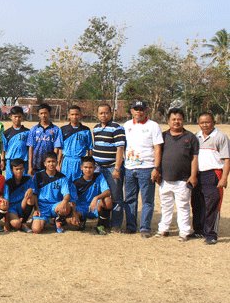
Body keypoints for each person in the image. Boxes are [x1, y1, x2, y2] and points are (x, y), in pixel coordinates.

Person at [155, 108, 199, 241]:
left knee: (183, 206)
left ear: (183, 121)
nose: (176, 122)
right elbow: (157, 154)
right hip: (165, 179)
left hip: (183, 180)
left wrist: (193, 175)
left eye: (179, 119)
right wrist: (157, 171)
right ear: (168, 121)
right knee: (166, 206)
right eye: (173, 119)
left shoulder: (191, 137)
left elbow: (194, 158)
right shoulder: (162, 136)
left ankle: (184, 232)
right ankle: (163, 229)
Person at [123, 100, 163, 238]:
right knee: (129, 199)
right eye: (136, 109)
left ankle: (145, 228)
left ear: (146, 111)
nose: (138, 112)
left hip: (147, 168)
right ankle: (130, 226)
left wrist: (156, 168)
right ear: (131, 110)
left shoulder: (153, 126)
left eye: (141, 109)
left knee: (147, 200)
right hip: (129, 168)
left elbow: (158, 148)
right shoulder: (127, 125)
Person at [191, 112, 230, 245]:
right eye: (202, 123)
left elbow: (227, 159)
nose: (205, 125)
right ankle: (198, 230)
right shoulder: (196, 136)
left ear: (213, 122)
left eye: (207, 122)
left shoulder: (221, 137)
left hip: (213, 173)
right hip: (198, 174)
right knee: (197, 203)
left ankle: (211, 234)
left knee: (212, 205)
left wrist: (224, 178)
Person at [92, 103, 126, 231]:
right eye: (101, 113)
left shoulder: (116, 128)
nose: (103, 115)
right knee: (101, 194)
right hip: (98, 167)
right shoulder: (95, 128)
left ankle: (116, 224)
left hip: (112, 167)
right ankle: (102, 221)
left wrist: (117, 168)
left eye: (106, 113)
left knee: (116, 196)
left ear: (111, 114)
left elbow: (120, 148)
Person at [31, 151, 75, 234]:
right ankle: (46, 220)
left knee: (66, 206)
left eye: (53, 161)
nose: (51, 164)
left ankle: (58, 221)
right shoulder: (38, 176)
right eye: (49, 162)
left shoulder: (62, 177)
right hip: (42, 207)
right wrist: (36, 209)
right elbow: (34, 194)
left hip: (55, 206)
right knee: (36, 229)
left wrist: (64, 202)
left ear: (57, 162)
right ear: (44, 163)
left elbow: (67, 194)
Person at [67, 156, 112, 235]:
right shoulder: (76, 182)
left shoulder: (99, 176)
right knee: (70, 219)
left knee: (108, 201)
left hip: (95, 206)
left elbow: (108, 191)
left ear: (94, 168)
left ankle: (100, 225)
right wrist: (74, 213)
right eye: (86, 167)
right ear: (81, 168)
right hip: (81, 207)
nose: (88, 170)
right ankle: (82, 220)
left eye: (90, 167)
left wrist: (96, 198)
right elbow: (72, 200)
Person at [56, 105, 93, 182]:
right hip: (66, 161)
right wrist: (58, 164)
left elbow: (90, 148)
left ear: (81, 116)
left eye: (77, 114)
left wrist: (89, 164)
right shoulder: (63, 129)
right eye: (72, 114)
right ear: (69, 116)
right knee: (65, 184)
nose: (75, 117)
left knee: (79, 184)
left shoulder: (86, 130)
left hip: (80, 161)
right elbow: (60, 148)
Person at [27, 103, 62, 176]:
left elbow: (56, 148)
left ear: (49, 114)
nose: (43, 115)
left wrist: (54, 162)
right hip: (36, 163)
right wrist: (30, 166)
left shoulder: (56, 129)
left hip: (49, 164)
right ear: (38, 115)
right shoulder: (34, 129)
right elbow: (31, 148)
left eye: (45, 113)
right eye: (41, 113)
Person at [3, 158, 36, 233]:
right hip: (12, 207)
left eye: (21, 169)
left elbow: (34, 190)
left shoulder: (28, 178)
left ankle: (24, 222)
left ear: (24, 168)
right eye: (17, 169)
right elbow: (6, 202)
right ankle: (16, 221)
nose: (19, 171)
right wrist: (7, 223)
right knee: (16, 224)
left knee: (31, 196)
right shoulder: (8, 182)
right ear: (12, 170)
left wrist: (31, 190)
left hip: (22, 205)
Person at [2, 106, 30, 180]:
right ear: (10, 116)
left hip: (23, 161)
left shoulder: (28, 132)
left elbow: (30, 148)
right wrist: (2, 160)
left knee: (23, 182)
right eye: (15, 116)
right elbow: (4, 149)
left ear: (22, 117)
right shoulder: (6, 133)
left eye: (19, 116)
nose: (17, 119)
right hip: (10, 161)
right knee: (9, 181)